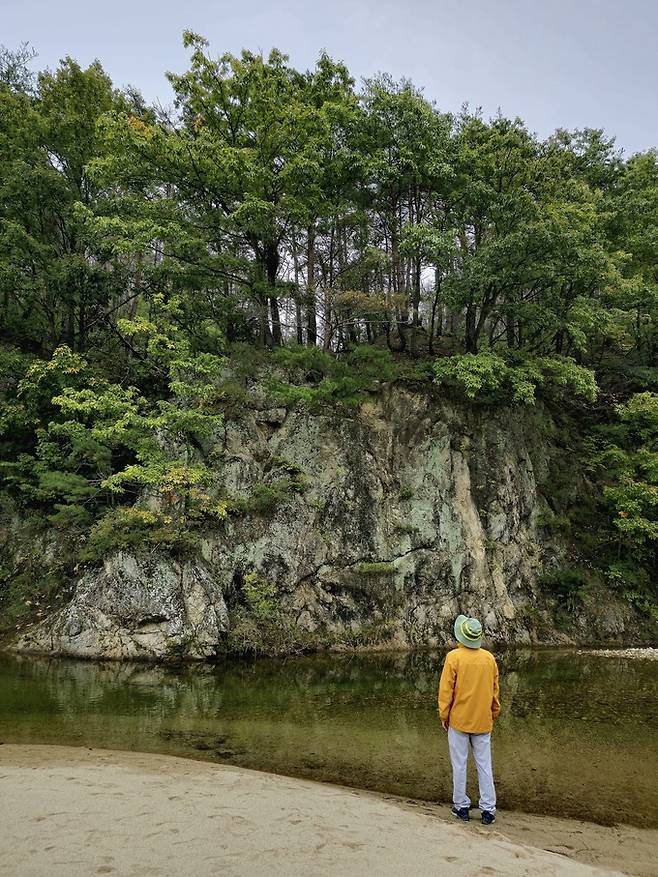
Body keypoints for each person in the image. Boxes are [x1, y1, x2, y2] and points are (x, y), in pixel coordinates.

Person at [438, 614, 500, 825]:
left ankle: (461, 806)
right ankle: (488, 810)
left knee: (459, 764)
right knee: (484, 765)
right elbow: (495, 691)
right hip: (483, 721)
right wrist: (494, 712)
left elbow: (446, 691)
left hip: (459, 720)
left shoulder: (454, 657)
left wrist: (444, 715)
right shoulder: (489, 659)